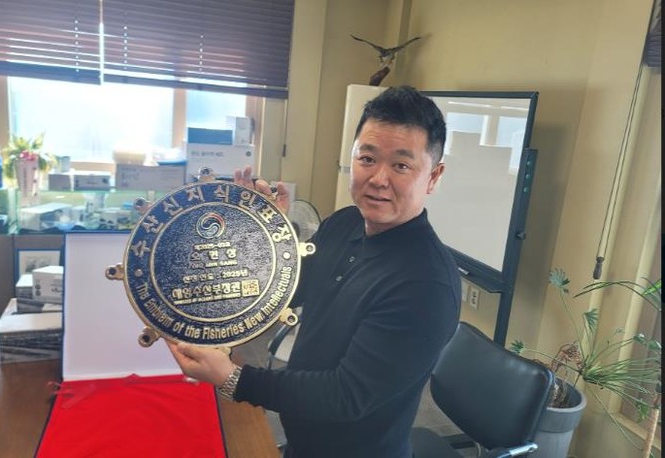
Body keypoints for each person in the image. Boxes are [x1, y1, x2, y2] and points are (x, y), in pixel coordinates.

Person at [167, 85, 461, 457]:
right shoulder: (344, 222)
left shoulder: (427, 286)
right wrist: (261, 235)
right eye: (367, 158)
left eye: (401, 165)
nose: (378, 178)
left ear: (433, 176)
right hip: (303, 440)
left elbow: (346, 395)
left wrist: (232, 379)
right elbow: (286, 289)